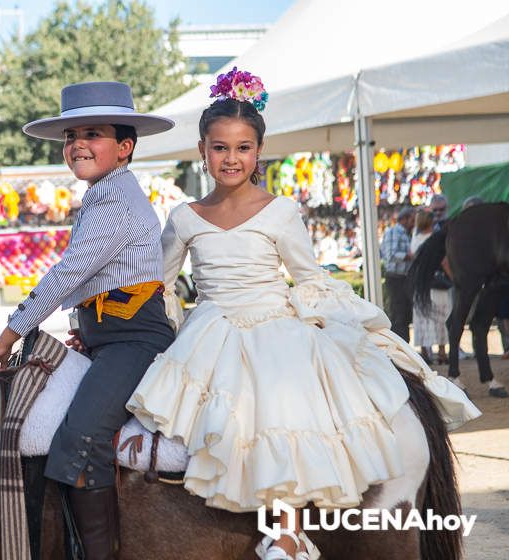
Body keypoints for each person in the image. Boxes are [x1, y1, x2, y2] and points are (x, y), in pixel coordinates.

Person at [124, 68, 480, 560]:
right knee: (215, 420)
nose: (232, 158)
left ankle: (287, 530)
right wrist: (162, 331)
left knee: (283, 402)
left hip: (273, 320)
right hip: (211, 328)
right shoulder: (184, 216)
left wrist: (320, 316)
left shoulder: (281, 210)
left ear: (258, 153)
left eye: (243, 147)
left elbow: (306, 274)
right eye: (220, 147)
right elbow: (160, 283)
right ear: (203, 151)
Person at [0, 81, 176, 558]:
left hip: (133, 342)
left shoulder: (113, 201)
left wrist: (8, 336)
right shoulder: (104, 193)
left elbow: (67, 274)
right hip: (107, 339)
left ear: (125, 147)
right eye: (71, 136)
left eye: (93, 133)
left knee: (81, 439)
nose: (77, 145)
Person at [410, 210, 451, 364]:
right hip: (436, 283)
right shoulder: (436, 239)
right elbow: (443, 261)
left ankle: (426, 351)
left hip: (421, 284)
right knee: (441, 316)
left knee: (423, 317)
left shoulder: (415, 238)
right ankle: (441, 352)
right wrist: (454, 278)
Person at [380, 206, 416, 341]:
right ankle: (398, 347)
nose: (415, 222)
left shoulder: (408, 233)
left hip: (405, 278)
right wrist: (409, 256)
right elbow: (390, 255)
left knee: (405, 314)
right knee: (398, 314)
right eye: (412, 219)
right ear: (405, 219)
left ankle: (404, 346)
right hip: (396, 278)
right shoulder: (393, 232)